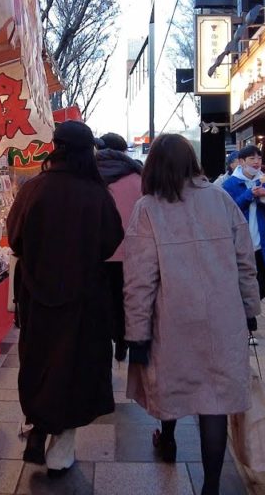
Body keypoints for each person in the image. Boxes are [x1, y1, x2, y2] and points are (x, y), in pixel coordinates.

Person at [124, 134, 260, 495]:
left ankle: (167, 440)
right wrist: (250, 311)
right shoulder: (221, 199)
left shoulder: (148, 209)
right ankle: (211, 486)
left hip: (172, 321)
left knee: (171, 385)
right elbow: (246, 262)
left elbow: (140, 280)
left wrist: (136, 333)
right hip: (223, 319)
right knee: (213, 402)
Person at [7, 121, 124, 477]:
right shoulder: (96, 193)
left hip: (37, 295)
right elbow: (111, 241)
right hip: (84, 299)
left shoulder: (33, 190)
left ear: (55, 148)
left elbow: (15, 239)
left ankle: (38, 423)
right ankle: (61, 448)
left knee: (39, 361)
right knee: (75, 368)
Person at [96, 132, 143, 362]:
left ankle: (106, 341)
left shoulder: (91, 177)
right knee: (128, 299)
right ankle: (125, 341)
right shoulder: (138, 177)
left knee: (103, 301)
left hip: (100, 253)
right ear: (123, 152)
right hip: (134, 253)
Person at [222, 145, 265, 301]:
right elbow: (230, 211)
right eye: (252, 158)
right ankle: (247, 313)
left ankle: (247, 307)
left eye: (259, 158)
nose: (256, 162)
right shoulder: (229, 184)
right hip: (240, 243)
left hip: (261, 241)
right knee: (242, 282)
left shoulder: (263, 181)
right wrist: (250, 194)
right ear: (241, 161)